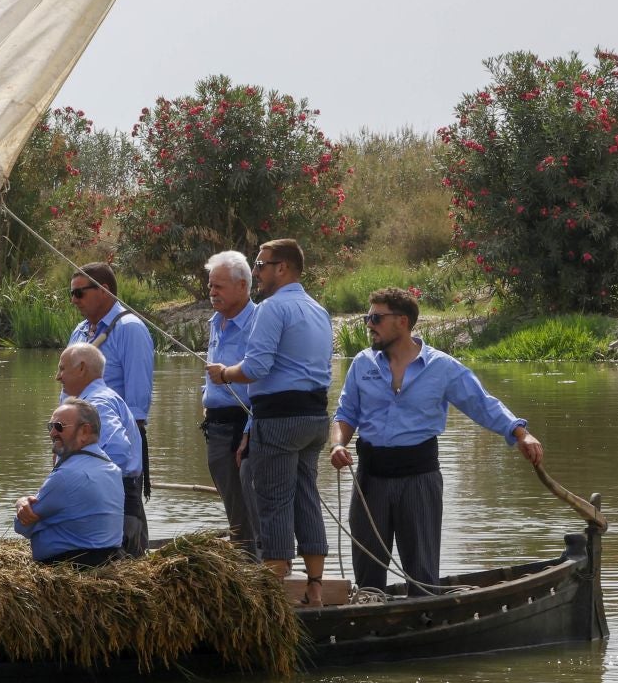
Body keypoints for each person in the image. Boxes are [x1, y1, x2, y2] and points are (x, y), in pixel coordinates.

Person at [331, 287, 546, 594]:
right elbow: (345, 414)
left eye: (376, 317)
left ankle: (424, 623)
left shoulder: (441, 367)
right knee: (367, 575)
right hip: (369, 479)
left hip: (419, 479)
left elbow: (482, 404)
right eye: (368, 317)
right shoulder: (362, 363)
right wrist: (338, 444)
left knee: (421, 571)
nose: (369, 324)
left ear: (402, 322)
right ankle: (371, 626)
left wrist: (521, 434)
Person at [205, 238, 332, 601]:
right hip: (314, 418)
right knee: (306, 496)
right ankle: (316, 586)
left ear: (283, 268)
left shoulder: (271, 309)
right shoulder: (317, 309)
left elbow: (258, 367)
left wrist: (225, 373)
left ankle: (272, 589)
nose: (257, 271)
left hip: (279, 419)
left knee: (272, 498)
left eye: (261, 265)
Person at [67, 261, 154, 494]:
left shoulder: (130, 328)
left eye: (79, 293)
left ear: (103, 290)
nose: (74, 300)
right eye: (71, 293)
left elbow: (137, 407)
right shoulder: (79, 332)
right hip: (76, 439)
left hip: (115, 444)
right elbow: (66, 387)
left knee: (125, 517)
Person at [56, 343, 144, 555]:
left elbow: (118, 451)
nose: (57, 376)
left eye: (62, 369)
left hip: (113, 508)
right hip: (118, 503)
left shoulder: (97, 403)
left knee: (115, 577)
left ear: (81, 368)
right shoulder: (95, 399)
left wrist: (87, 488)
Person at [14, 399, 125, 568]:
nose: (52, 433)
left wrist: (20, 502)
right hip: (109, 564)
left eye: (58, 426)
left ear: (85, 431)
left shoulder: (66, 475)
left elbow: (23, 526)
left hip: (71, 570)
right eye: (50, 427)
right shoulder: (112, 469)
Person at [201, 250, 258, 554]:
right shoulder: (216, 322)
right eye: (210, 286)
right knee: (233, 504)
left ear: (243, 286)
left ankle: (256, 567)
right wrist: (205, 398)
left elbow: (264, 382)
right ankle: (243, 559)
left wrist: (249, 432)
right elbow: (211, 370)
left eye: (219, 286)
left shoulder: (258, 323)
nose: (212, 292)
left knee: (248, 503)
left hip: (243, 422)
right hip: (217, 425)